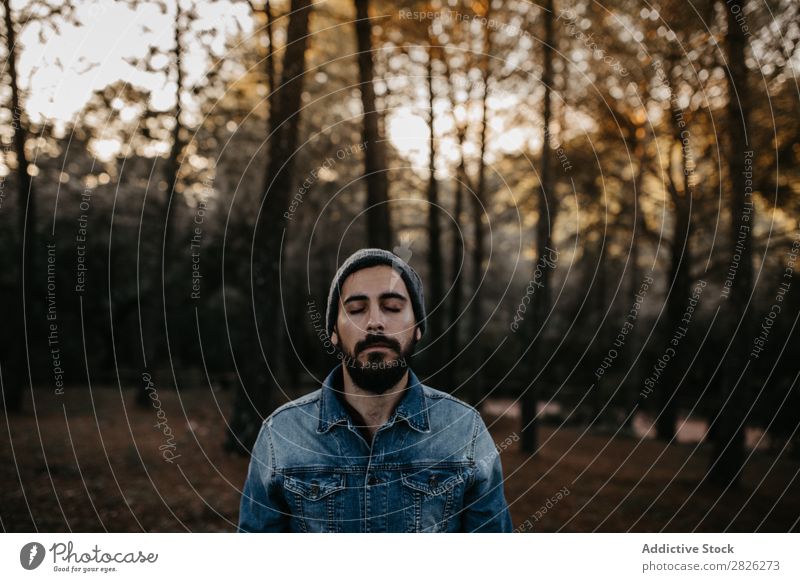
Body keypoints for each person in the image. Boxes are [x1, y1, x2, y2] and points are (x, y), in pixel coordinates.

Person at [238, 248, 513, 532]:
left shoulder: (465, 430)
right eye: (356, 309)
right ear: (333, 331)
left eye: (392, 307)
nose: (375, 322)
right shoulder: (280, 434)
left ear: (418, 327)